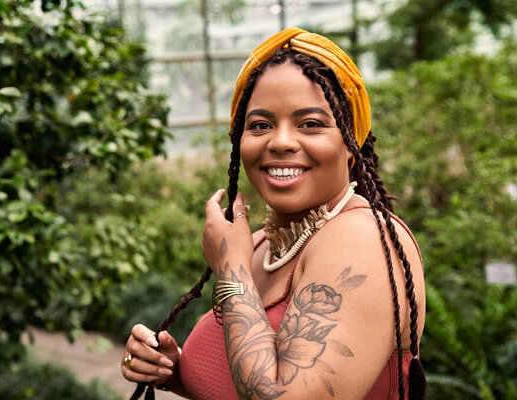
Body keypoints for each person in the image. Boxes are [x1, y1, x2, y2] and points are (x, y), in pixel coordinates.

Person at [121, 27, 426, 400]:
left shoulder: (362, 240)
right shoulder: (263, 245)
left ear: (351, 141)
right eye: (260, 125)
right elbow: (245, 373)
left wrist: (232, 268)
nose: (280, 142)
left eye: (310, 124)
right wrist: (175, 371)